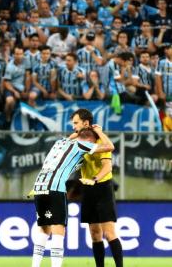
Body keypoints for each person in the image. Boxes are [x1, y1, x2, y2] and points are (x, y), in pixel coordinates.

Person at [30, 126, 115, 267]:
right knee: (58, 230)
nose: (95, 144)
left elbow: (72, 137)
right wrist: (99, 132)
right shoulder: (83, 144)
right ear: (90, 139)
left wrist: (79, 131)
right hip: (54, 187)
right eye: (94, 141)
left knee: (44, 230)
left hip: (39, 187)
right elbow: (109, 146)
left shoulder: (60, 142)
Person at [71, 108, 123, 267]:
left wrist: (94, 179)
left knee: (109, 233)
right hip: (88, 189)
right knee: (94, 234)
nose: (73, 126)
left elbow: (107, 167)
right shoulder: (77, 139)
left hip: (102, 188)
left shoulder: (100, 140)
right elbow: (68, 142)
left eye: (76, 123)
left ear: (86, 123)